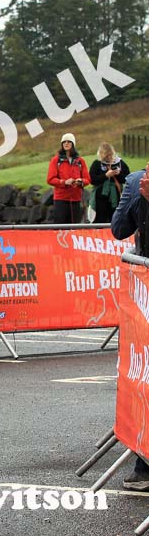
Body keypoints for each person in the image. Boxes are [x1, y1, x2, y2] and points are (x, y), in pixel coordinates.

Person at [111, 161, 149, 490]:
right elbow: (118, 228)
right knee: (143, 376)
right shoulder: (136, 181)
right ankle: (143, 461)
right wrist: (143, 200)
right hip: (145, 294)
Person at [47, 133, 89, 224]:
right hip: (60, 199)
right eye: (64, 142)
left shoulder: (80, 161)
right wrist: (64, 182)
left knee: (74, 229)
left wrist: (80, 181)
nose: (66, 143)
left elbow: (87, 179)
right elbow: (50, 179)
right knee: (60, 228)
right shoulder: (56, 160)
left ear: (73, 144)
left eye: (69, 142)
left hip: (76, 199)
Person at [89, 142, 130, 224]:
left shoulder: (120, 163)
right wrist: (105, 175)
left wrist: (118, 174)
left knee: (115, 218)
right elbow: (92, 180)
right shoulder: (97, 164)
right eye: (106, 156)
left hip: (116, 197)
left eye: (110, 155)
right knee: (100, 219)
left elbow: (127, 178)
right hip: (100, 198)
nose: (109, 158)